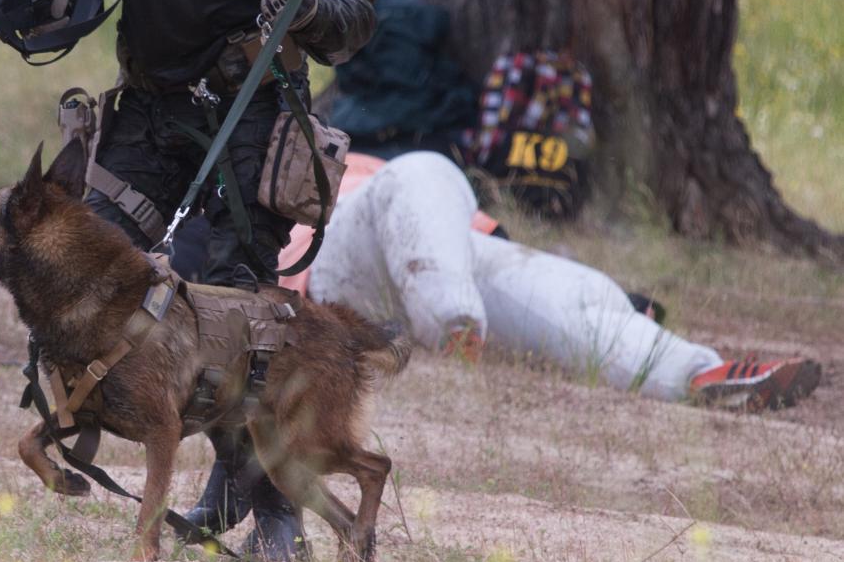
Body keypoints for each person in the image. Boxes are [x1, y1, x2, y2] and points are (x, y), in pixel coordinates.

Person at [56, 0, 382, 562]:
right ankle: (93, 441)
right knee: (79, 267)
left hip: (247, 122)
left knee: (230, 314)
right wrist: (30, 4)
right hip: (147, 109)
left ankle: (273, 515)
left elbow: (360, 6)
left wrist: (307, 10)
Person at [293, 151, 822, 410]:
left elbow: (438, 218)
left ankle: (704, 375)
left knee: (584, 296)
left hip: (437, 245)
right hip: (326, 263)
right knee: (423, 170)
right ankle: (453, 324)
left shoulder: (332, 149)